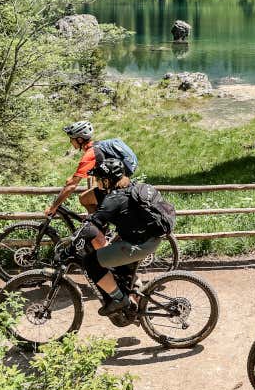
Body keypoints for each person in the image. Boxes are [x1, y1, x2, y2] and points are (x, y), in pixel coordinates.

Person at [73, 157, 173, 315]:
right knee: (115, 264)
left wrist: (75, 240)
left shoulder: (113, 199)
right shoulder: (134, 187)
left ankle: (120, 300)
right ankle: (136, 296)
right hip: (150, 238)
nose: (98, 183)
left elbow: (92, 226)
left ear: (107, 181)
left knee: (91, 262)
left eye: (99, 180)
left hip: (140, 244)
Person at [45, 121, 135, 219]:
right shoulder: (98, 146)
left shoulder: (91, 153)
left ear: (79, 139)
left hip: (115, 188)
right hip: (120, 185)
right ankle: (100, 226)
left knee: (84, 198)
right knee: (89, 198)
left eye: (71, 139)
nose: (70, 142)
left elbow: (72, 185)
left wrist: (53, 207)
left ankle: (98, 228)